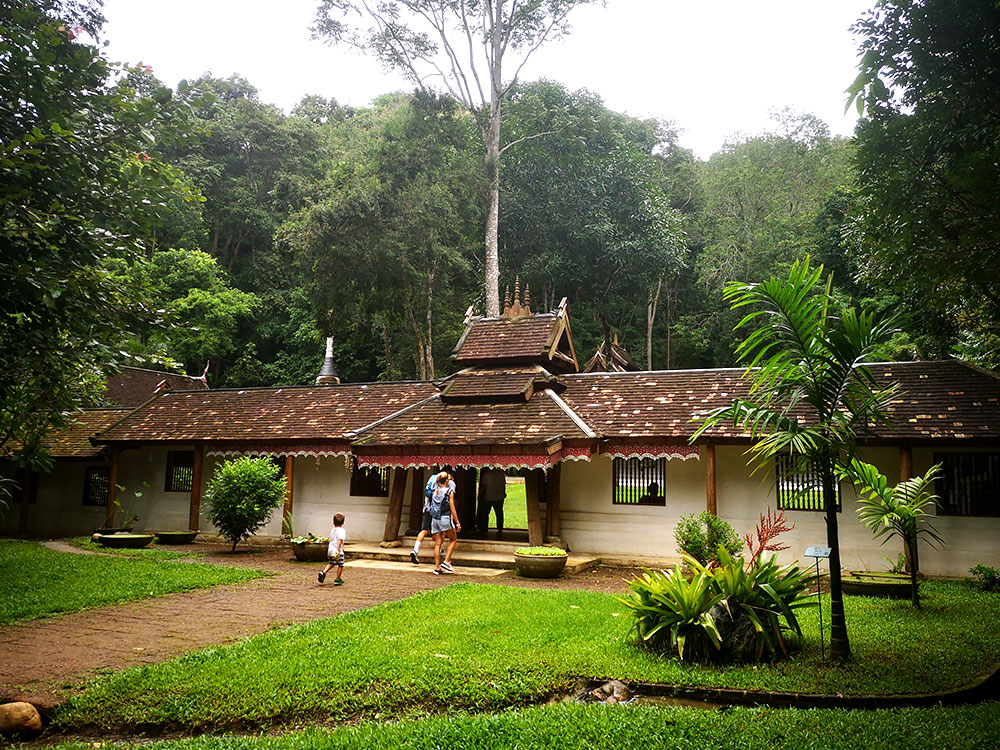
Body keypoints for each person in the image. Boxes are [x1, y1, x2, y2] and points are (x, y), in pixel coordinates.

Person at [411, 471, 453, 564]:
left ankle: (415, 550)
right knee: (441, 531)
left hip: (427, 509)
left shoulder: (431, 481)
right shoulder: (443, 486)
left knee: (424, 530)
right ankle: (440, 549)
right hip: (438, 512)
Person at [428, 472, 461, 575]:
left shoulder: (435, 490)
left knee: (438, 543)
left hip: (435, 519)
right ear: (447, 480)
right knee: (453, 539)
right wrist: (457, 522)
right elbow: (452, 507)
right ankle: (446, 561)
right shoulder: (448, 492)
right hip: (445, 518)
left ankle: (437, 567)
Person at [477, 467, 507, 538]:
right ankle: (500, 529)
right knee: (499, 514)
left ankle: (484, 528)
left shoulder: (486, 475)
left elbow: (483, 487)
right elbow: (503, 486)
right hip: (499, 497)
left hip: (488, 497)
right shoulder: (500, 474)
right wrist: (503, 493)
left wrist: (480, 496)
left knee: (485, 514)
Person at [318, 513, 346, 585]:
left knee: (331, 563)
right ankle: (337, 578)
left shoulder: (333, 530)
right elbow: (340, 540)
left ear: (333, 522)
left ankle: (323, 572)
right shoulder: (342, 531)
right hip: (337, 550)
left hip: (330, 550)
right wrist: (338, 549)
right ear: (343, 523)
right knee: (341, 564)